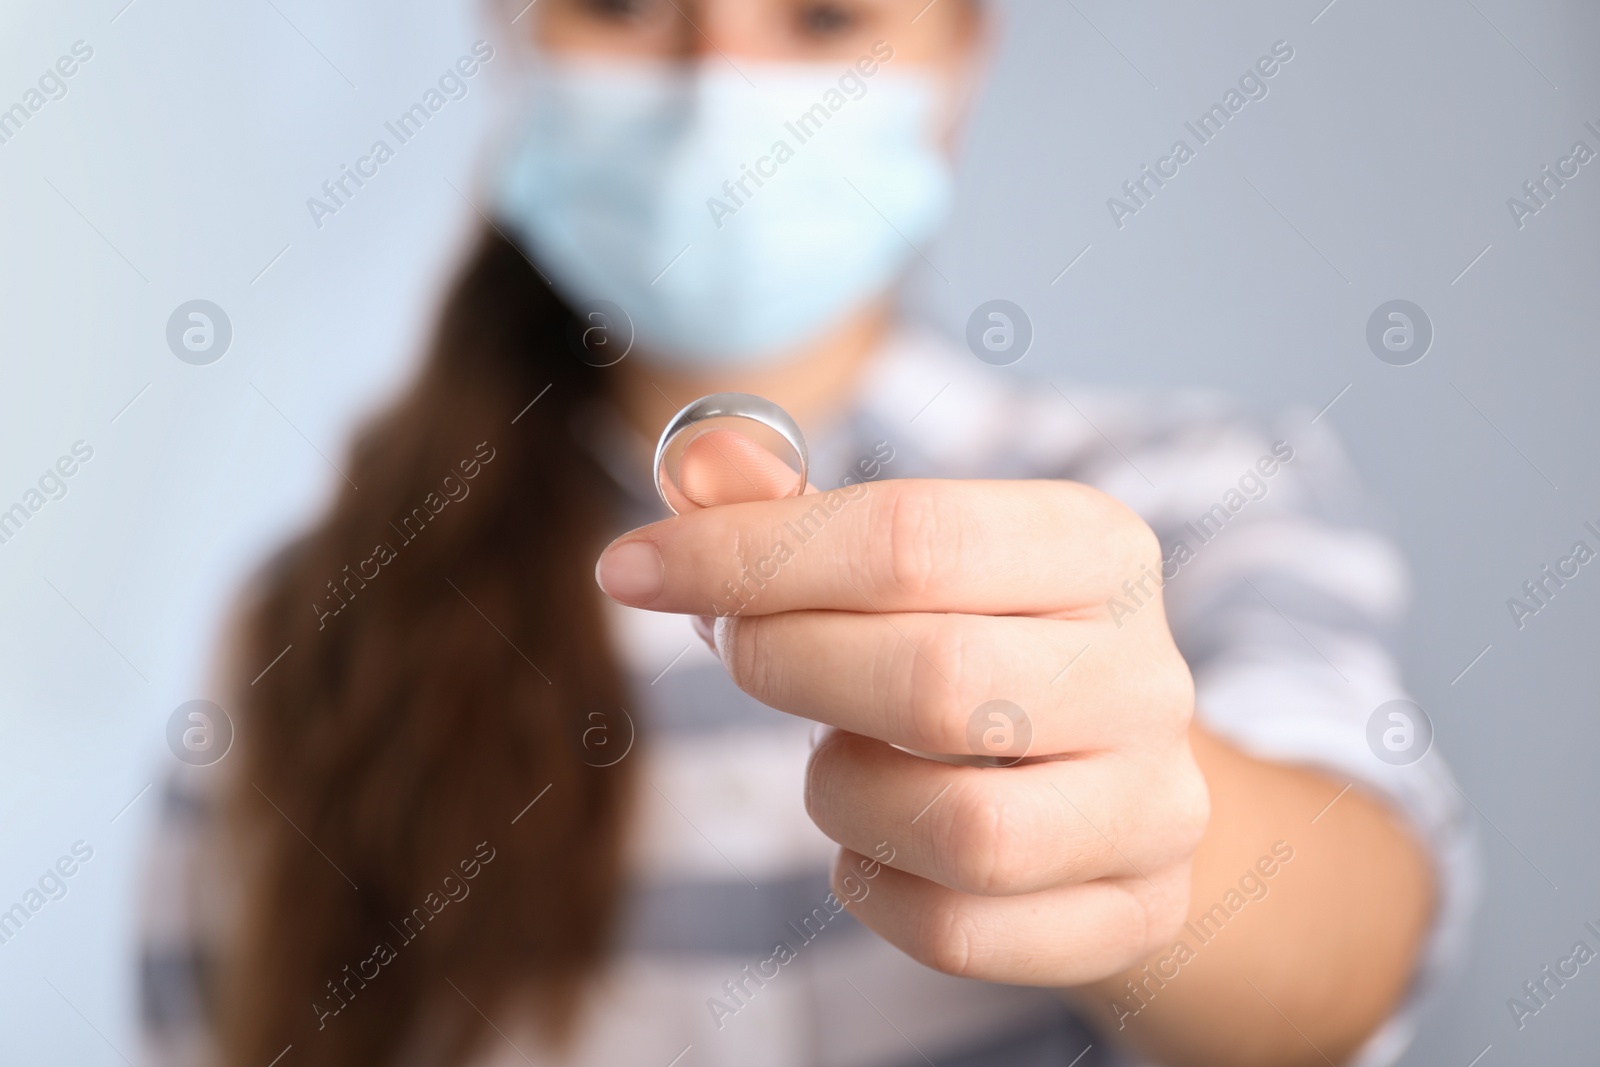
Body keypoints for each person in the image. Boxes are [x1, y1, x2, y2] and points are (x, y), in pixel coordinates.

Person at [139, 1, 1474, 1065]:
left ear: (959, 59)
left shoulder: (1192, 498)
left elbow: (1354, 953)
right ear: (514, 35)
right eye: (624, 4)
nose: (723, 83)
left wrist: (1160, 851)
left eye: (824, 18)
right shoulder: (309, 618)